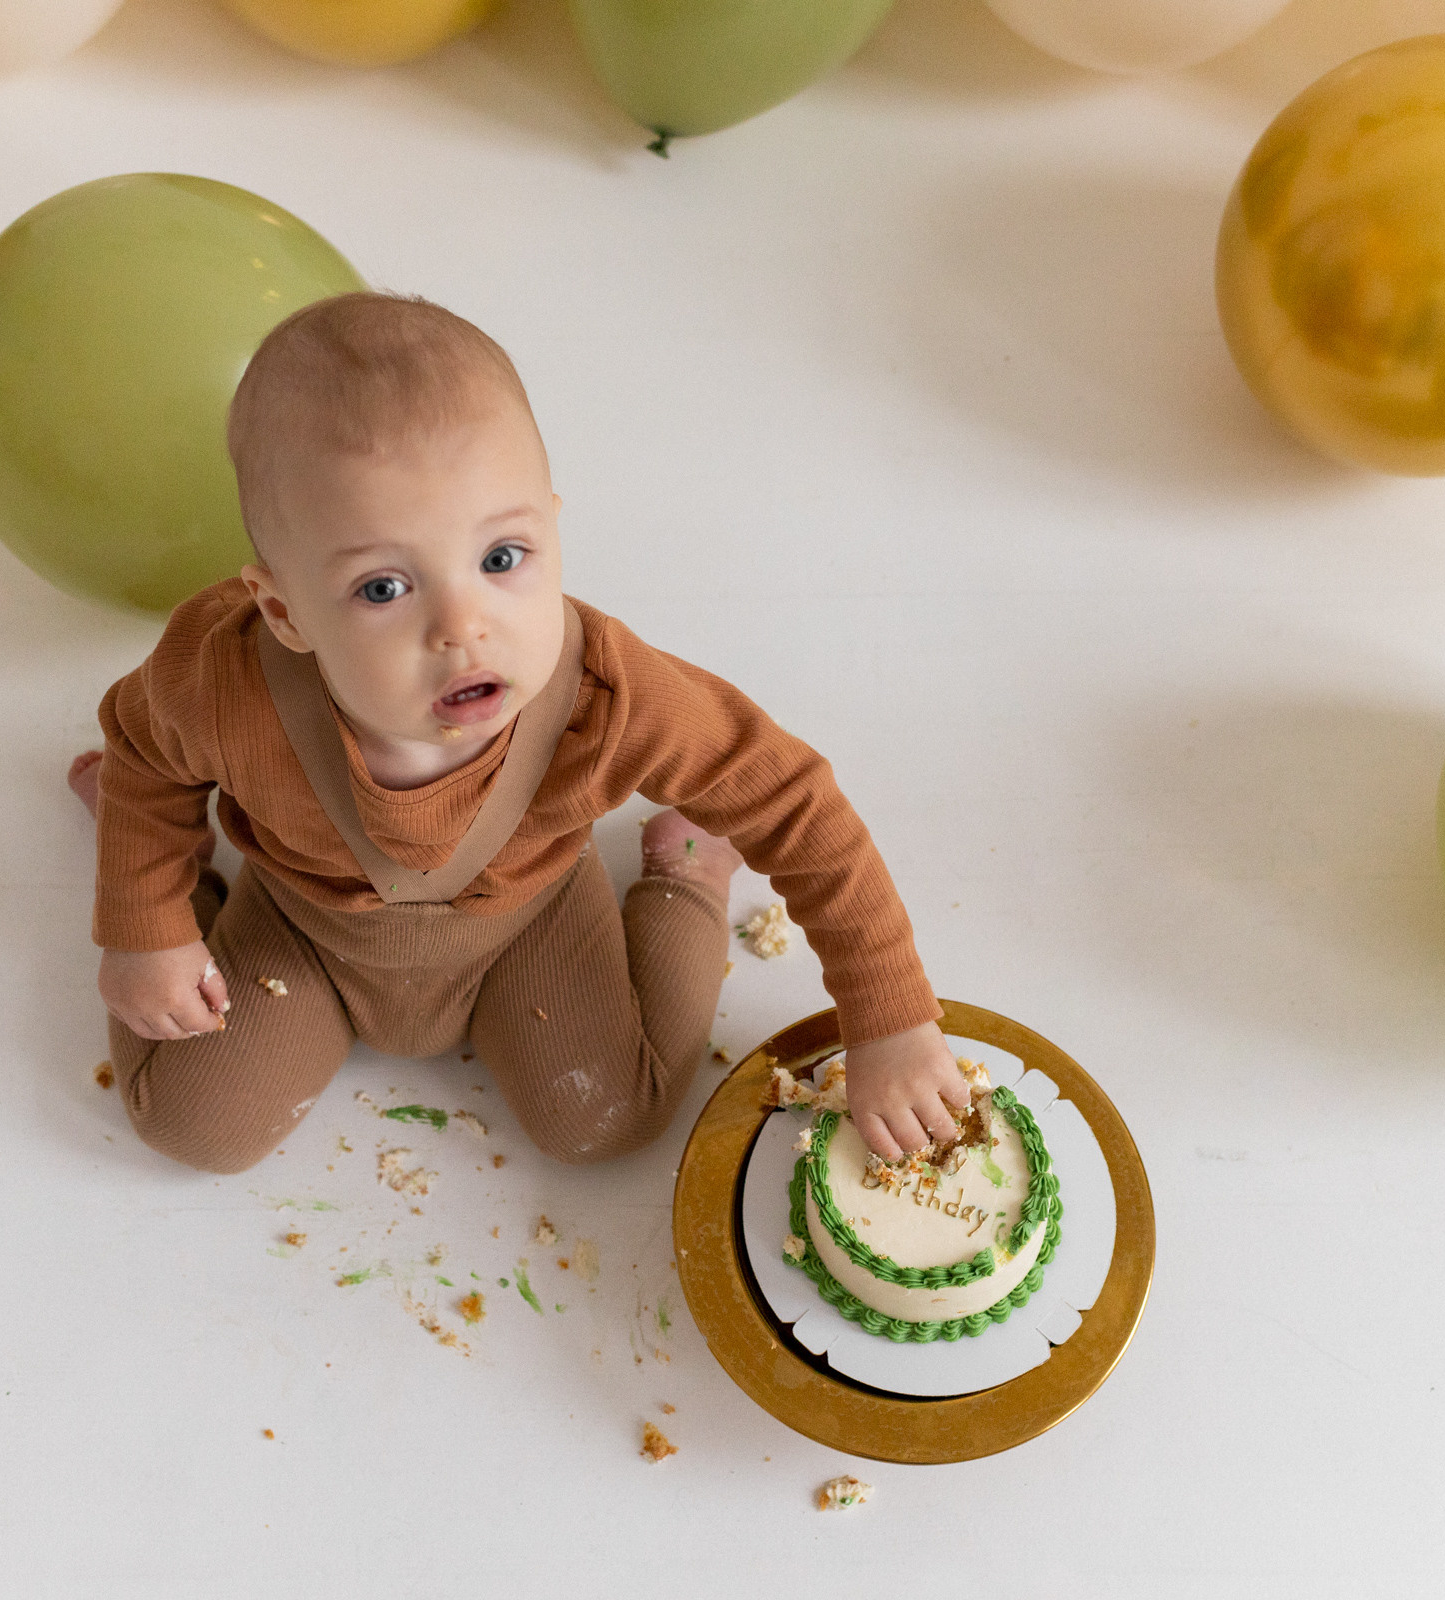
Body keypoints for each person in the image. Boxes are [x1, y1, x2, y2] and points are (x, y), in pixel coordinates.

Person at [71, 291, 964, 1174]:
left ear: (554, 530)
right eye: (384, 588)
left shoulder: (607, 699)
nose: (464, 626)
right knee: (188, 1126)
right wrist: (143, 926)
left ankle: (690, 868)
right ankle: (172, 885)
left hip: (527, 924)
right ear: (284, 609)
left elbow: (791, 798)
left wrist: (888, 1016)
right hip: (306, 929)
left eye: (502, 559)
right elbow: (147, 751)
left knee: (616, 1120)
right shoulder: (223, 681)